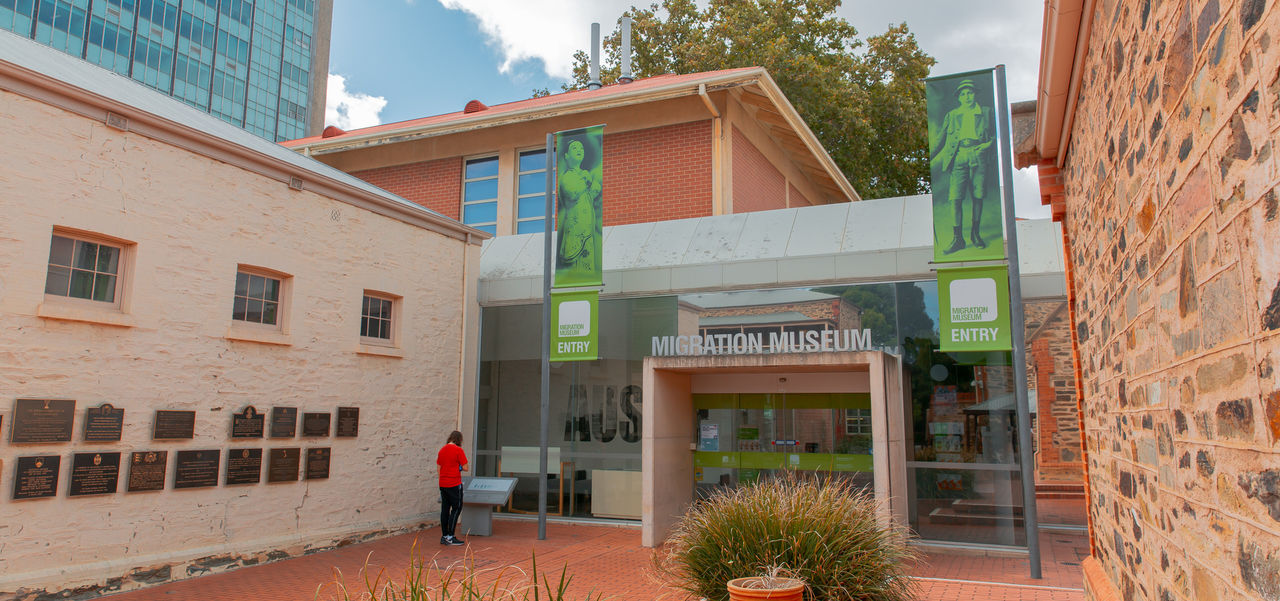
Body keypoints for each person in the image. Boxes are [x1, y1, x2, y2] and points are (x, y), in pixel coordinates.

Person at [930, 79, 995, 254]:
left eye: (970, 93)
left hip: (978, 155)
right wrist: (928, 159)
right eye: (963, 94)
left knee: (978, 196)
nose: (967, 97)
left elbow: (996, 136)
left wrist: (987, 146)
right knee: (955, 198)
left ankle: (975, 233)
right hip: (958, 157)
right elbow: (940, 140)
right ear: (959, 98)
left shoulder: (986, 112)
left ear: (975, 94)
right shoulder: (952, 115)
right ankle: (958, 238)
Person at [556, 138, 603, 281]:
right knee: (575, 270)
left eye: (581, 148)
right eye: (575, 148)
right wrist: (586, 181)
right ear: (566, 156)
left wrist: (591, 184)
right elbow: (572, 193)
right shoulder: (567, 176)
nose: (579, 150)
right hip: (575, 231)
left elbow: (593, 193)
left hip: (588, 230)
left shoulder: (585, 174)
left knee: (587, 268)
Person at [437, 430, 468, 546]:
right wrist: (458, 467)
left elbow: (438, 469)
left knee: (445, 509)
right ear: (459, 440)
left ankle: (444, 536)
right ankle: (451, 536)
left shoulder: (442, 450)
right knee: (456, 508)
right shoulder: (458, 450)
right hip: (454, 483)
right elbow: (465, 467)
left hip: (443, 483)